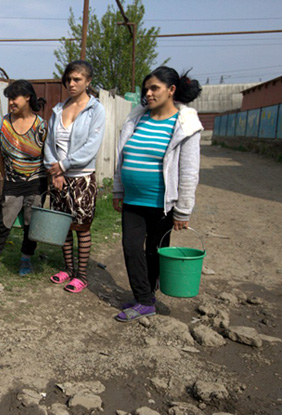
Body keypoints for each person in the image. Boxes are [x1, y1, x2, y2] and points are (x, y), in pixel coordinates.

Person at [112, 66, 203, 322]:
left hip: (162, 205)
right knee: (131, 248)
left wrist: (183, 210)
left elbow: (188, 171)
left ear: (171, 90)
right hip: (132, 200)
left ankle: (146, 298)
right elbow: (122, 156)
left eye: (155, 88)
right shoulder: (137, 118)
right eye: (146, 89)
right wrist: (118, 189)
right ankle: (143, 298)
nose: (148, 93)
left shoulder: (185, 125)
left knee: (154, 251)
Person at [43, 60, 106, 293]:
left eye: (77, 79)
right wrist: (54, 170)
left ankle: (82, 275)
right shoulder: (58, 109)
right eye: (68, 79)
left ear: (88, 82)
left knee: (81, 227)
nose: (71, 83)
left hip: (81, 178)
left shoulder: (96, 110)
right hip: (59, 177)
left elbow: (91, 147)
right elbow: (49, 143)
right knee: (63, 226)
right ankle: (68, 269)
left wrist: (63, 166)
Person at [0, 80, 47, 277]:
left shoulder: (41, 126)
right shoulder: (3, 123)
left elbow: (47, 155)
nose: (11, 103)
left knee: (30, 223)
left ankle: (26, 259)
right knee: (4, 221)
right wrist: (5, 175)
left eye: (14, 98)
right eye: (9, 99)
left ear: (28, 97)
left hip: (36, 182)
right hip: (12, 182)